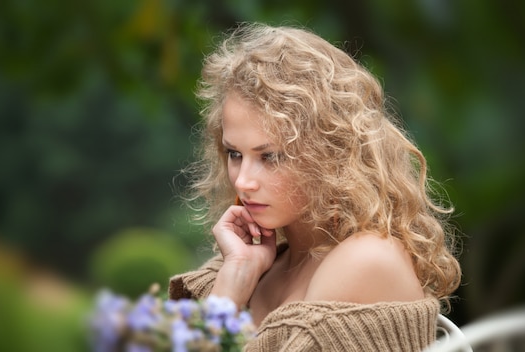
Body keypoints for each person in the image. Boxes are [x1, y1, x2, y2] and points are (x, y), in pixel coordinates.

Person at [169, 22, 461, 351]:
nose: (242, 180)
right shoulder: (263, 264)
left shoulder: (364, 260)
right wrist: (233, 280)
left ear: (329, 153)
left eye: (270, 157)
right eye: (234, 153)